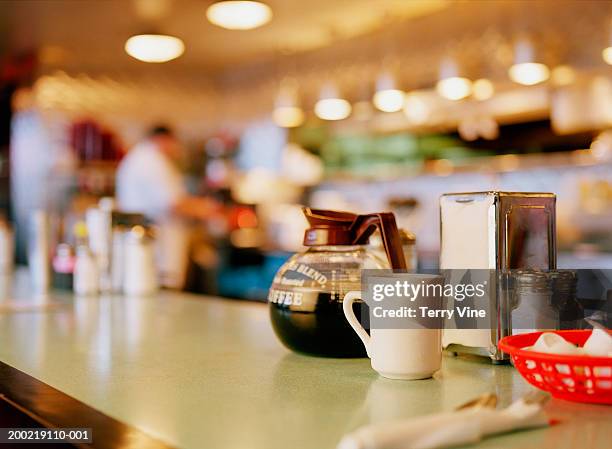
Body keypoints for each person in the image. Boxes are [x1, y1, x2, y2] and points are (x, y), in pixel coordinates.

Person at [116, 125, 219, 289]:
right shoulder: (152, 160)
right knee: (162, 295)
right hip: (158, 248)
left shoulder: (140, 157)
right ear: (164, 139)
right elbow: (173, 203)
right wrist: (208, 210)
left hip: (147, 245)